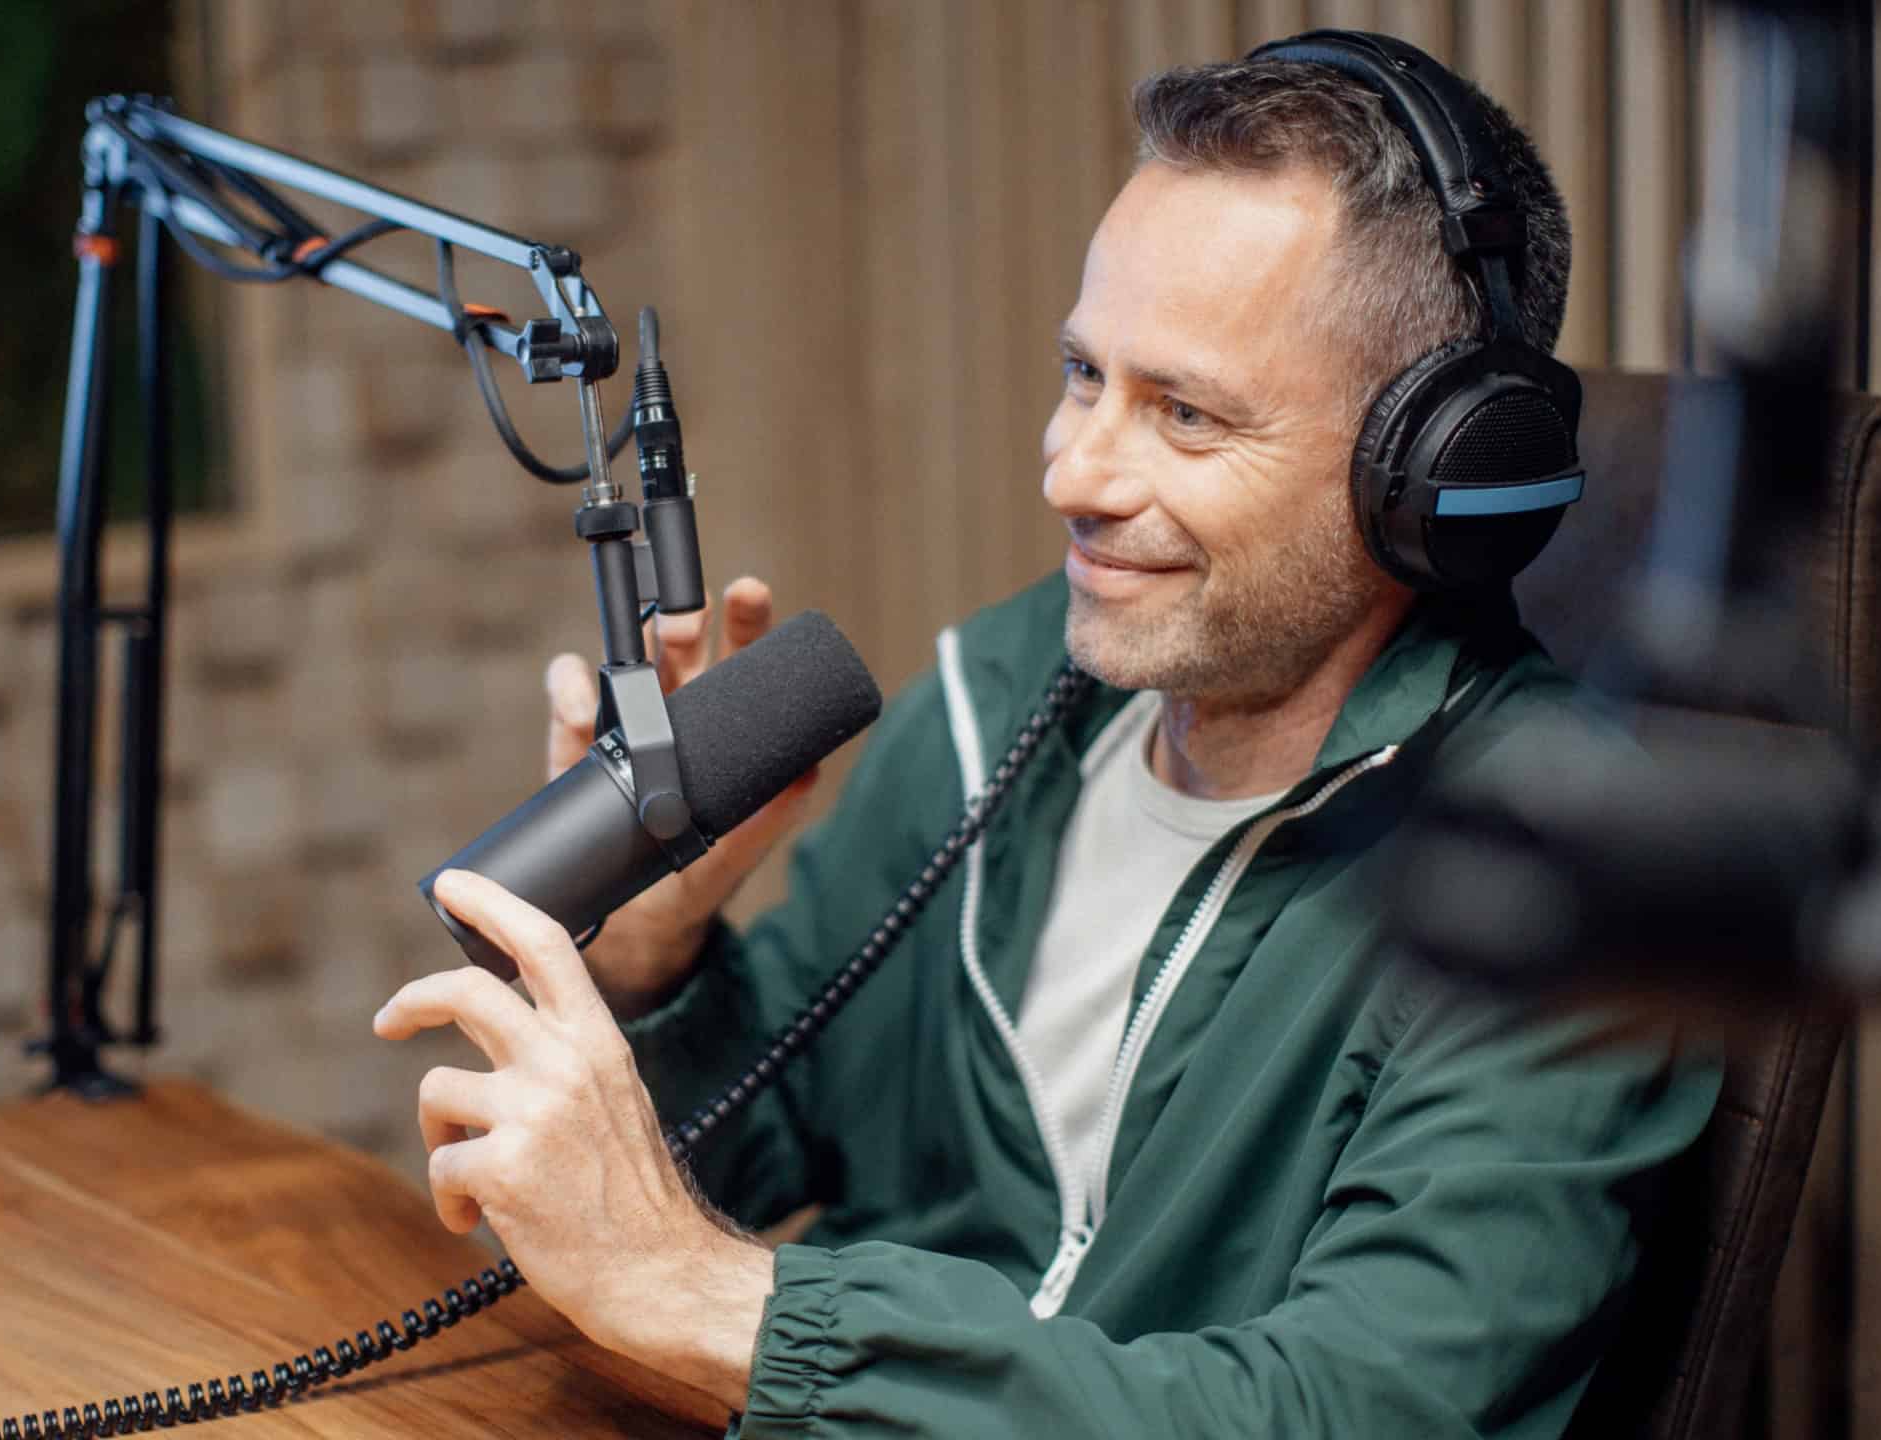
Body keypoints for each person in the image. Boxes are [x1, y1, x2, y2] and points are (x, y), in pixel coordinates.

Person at [374, 37, 1720, 1439]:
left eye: (1185, 413)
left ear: (1435, 474)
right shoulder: (1006, 694)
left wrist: (717, 1305)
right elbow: (739, 1152)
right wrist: (653, 955)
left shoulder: (1566, 873)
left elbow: (1361, 1412)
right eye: (1085, 375)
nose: (1073, 471)